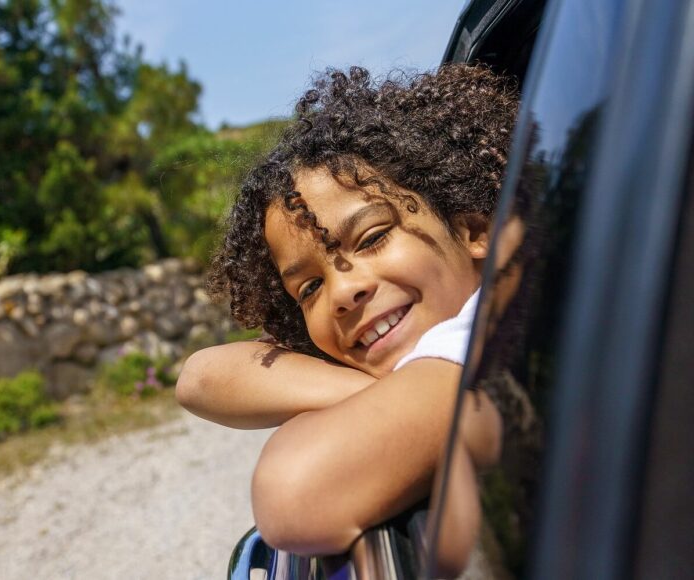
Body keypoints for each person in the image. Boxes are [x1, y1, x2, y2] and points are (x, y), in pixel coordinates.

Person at [176, 64, 518, 575]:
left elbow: (292, 492)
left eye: (374, 236)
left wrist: (380, 399)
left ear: (472, 229)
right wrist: (371, 394)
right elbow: (198, 377)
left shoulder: (478, 335)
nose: (343, 291)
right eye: (309, 288)